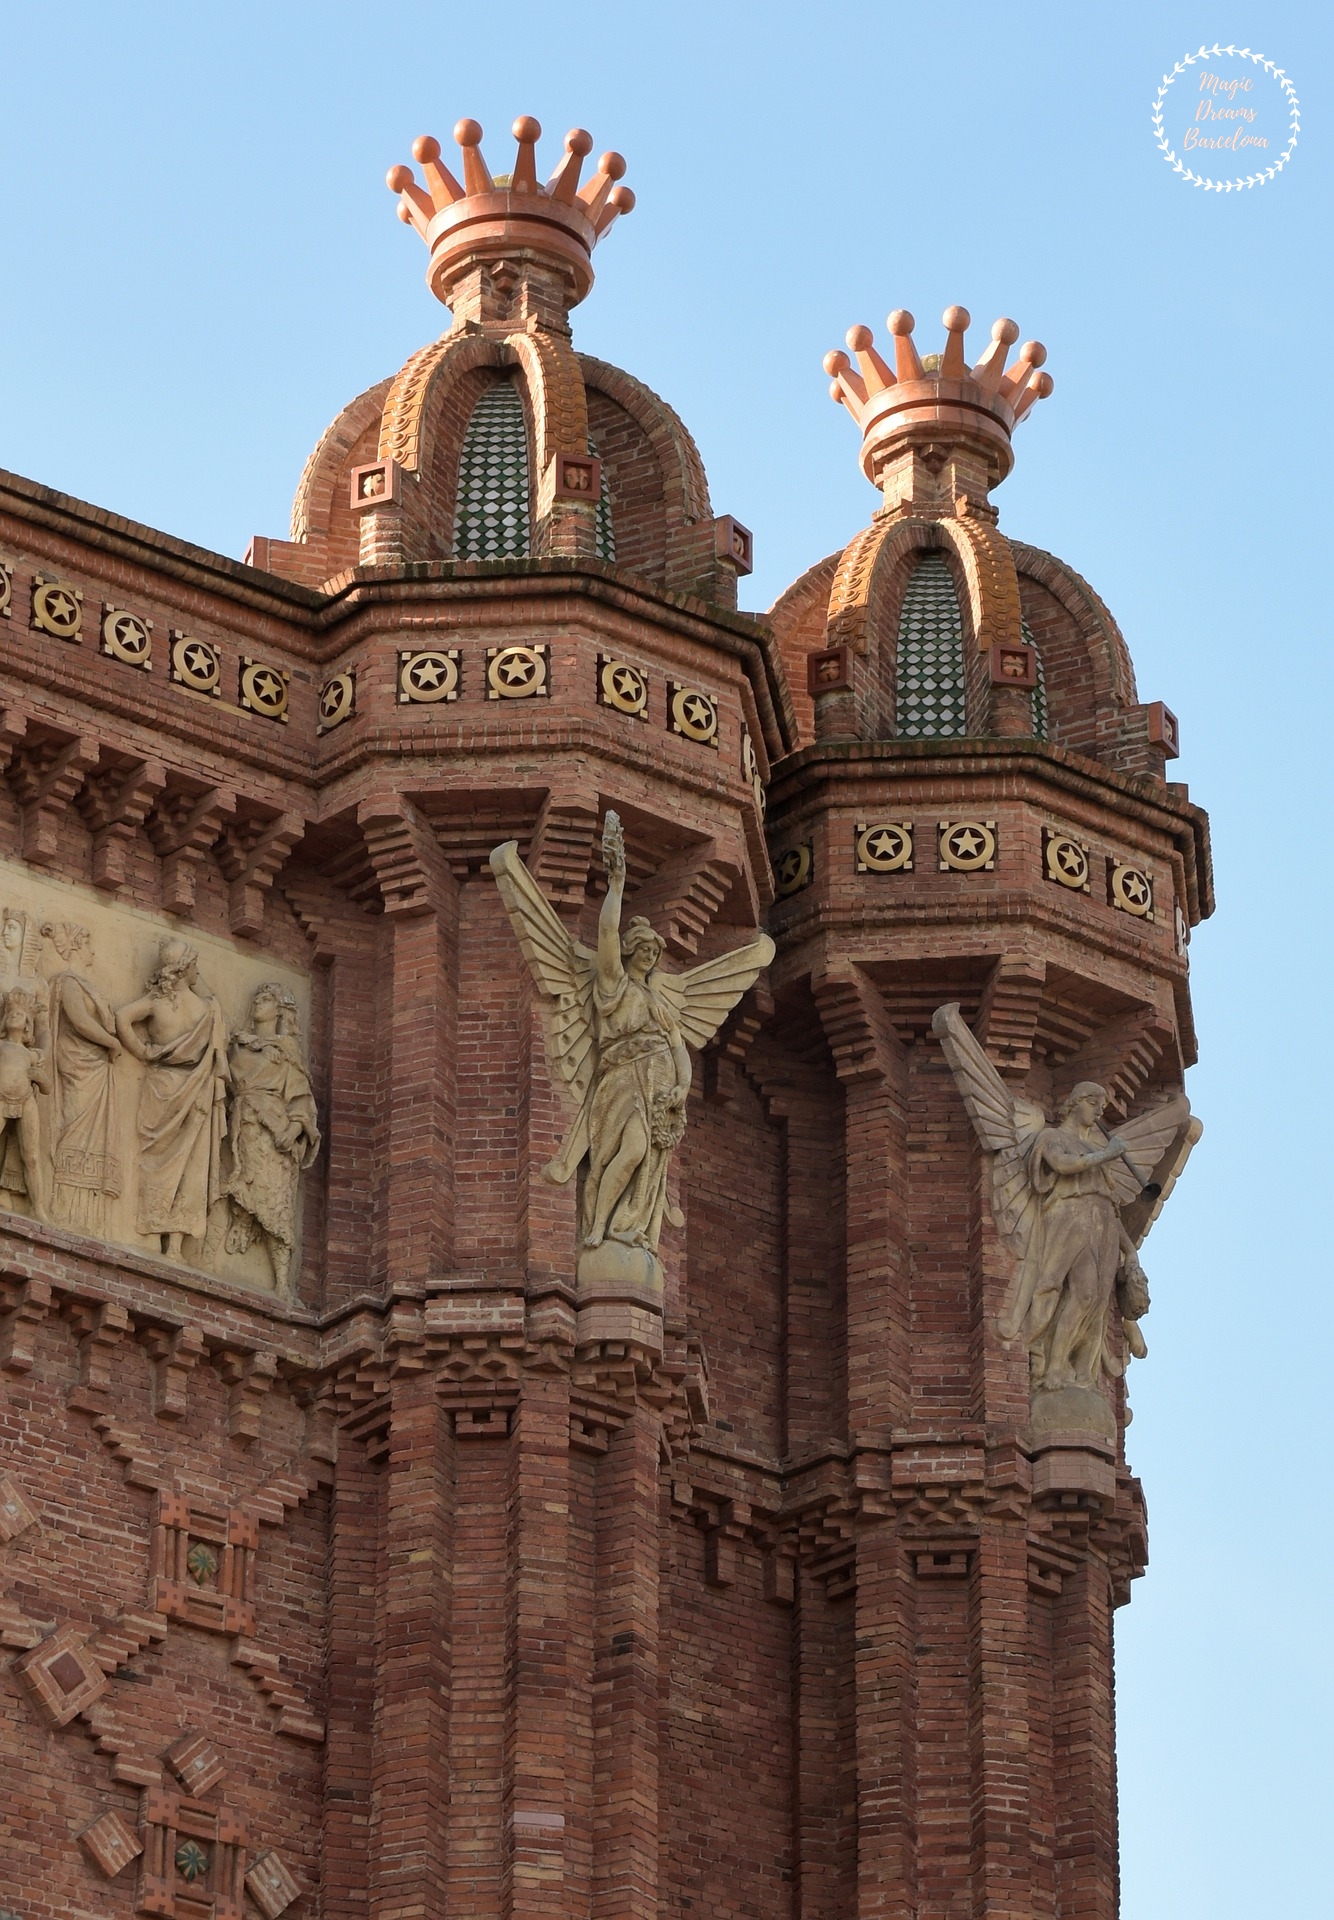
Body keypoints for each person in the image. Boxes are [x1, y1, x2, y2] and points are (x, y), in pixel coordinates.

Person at [579, 814, 691, 1252]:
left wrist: (683, 1087)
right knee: (628, 1152)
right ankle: (599, 1226)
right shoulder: (614, 985)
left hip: (659, 1086)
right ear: (629, 952)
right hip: (623, 1078)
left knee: (644, 1157)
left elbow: (680, 1049)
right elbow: (606, 931)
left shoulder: (659, 1003)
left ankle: (626, 1224)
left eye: (652, 952)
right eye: (642, 949)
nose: (648, 956)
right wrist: (617, 886)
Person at [1016, 1082, 1149, 1393]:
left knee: (1098, 1301)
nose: (1099, 1110)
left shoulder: (1095, 1149)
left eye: (1102, 1106)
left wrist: (1130, 1251)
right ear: (1074, 1103)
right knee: (1081, 1292)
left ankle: (1081, 1371)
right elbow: (1063, 1165)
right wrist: (1107, 1154)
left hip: (1101, 1223)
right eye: (1093, 1102)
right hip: (1070, 1220)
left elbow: (1111, 1208)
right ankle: (1054, 1365)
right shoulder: (1053, 1137)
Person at [115, 938, 229, 1260]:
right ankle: (174, 1247)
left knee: (156, 1162)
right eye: (194, 965)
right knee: (190, 1166)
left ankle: (152, 1236)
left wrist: (145, 1052)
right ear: (185, 968)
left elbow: (122, 1017)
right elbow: (220, 1051)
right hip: (194, 1088)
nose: (197, 971)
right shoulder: (209, 1009)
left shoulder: (156, 1003)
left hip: (161, 1083)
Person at [223, 983, 320, 1289]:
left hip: (274, 1133)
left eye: (265, 999)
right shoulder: (238, 1044)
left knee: (276, 1201)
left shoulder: (287, 1052)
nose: (257, 1003)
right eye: (256, 998)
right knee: (243, 1189)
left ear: (279, 1009)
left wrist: (292, 1131)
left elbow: (301, 1098)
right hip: (244, 1125)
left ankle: (280, 1282)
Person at [42, 923, 122, 1236]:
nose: (92, 952)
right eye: (88, 945)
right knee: (73, 1128)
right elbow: (79, 1021)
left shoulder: (86, 984)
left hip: (95, 1068)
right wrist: (112, 1042)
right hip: (77, 1066)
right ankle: (63, 1207)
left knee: (91, 1139)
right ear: (76, 946)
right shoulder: (68, 981)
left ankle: (85, 1216)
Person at [0, 987, 51, 1219]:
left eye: (20, 1015)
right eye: (10, 1013)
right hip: (1, 1098)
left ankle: (38, 1207)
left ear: (28, 1025)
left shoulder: (31, 1055)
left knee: (31, 1156)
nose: (14, 1015)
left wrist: (40, 1078)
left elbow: (47, 1088)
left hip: (26, 1100)